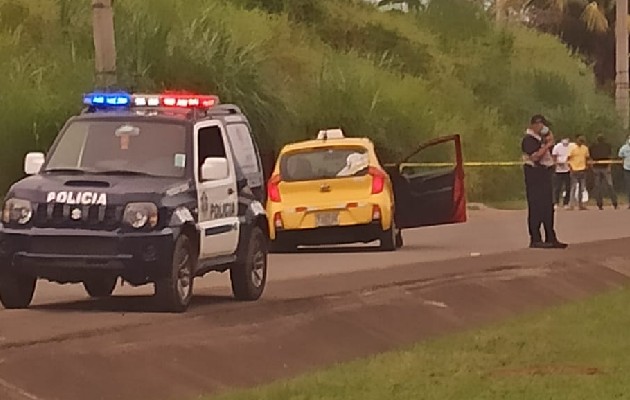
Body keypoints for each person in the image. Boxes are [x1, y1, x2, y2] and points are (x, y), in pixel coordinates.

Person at [521, 115, 567, 249]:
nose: (544, 128)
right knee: (536, 207)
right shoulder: (528, 140)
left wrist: (548, 140)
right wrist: (547, 145)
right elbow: (535, 157)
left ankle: (550, 237)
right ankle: (535, 238)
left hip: (545, 173)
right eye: (542, 125)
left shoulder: (540, 140)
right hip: (534, 175)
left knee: (548, 207)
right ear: (535, 124)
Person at [589, 134, 618, 210]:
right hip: (604, 167)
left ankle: (600, 204)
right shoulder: (607, 146)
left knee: (598, 186)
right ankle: (614, 203)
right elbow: (610, 156)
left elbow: (591, 157)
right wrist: (609, 166)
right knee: (609, 185)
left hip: (598, 167)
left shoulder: (593, 147)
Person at [567, 135, 590, 211]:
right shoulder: (572, 148)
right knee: (573, 187)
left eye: (582, 141)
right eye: (580, 140)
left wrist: (587, 166)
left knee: (582, 188)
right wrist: (570, 167)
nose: (581, 142)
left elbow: (587, 158)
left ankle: (581, 204)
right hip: (574, 169)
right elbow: (568, 158)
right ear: (576, 140)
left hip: (582, 170)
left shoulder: (585, 148)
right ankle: (571, 205)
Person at [551, 138, 572, 209]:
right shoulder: (557, 147)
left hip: (567, 170)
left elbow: (571, 156)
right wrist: (557, 163)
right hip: (558, 170)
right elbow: (554, 156)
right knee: (557, 187)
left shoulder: (570, 147)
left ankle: (566, 203)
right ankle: (556, 202)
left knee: (568, 187)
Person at [619, 136, 630, 208]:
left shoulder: (624, 147)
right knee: (628, 186)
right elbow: (620, 155)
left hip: (626, 168)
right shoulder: (624, 148)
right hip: (627, 169)